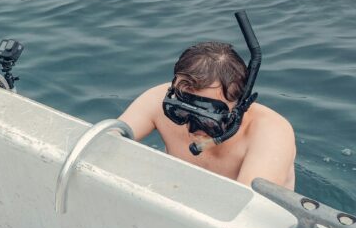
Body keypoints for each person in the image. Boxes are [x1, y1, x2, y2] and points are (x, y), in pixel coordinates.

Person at [119, 40, 295, 189]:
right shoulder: (156, 99)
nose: (191, 128)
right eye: (179, 112)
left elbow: (251, 212)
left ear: (239, 107)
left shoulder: (271, 133)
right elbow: (105, 140)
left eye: (207, 120)